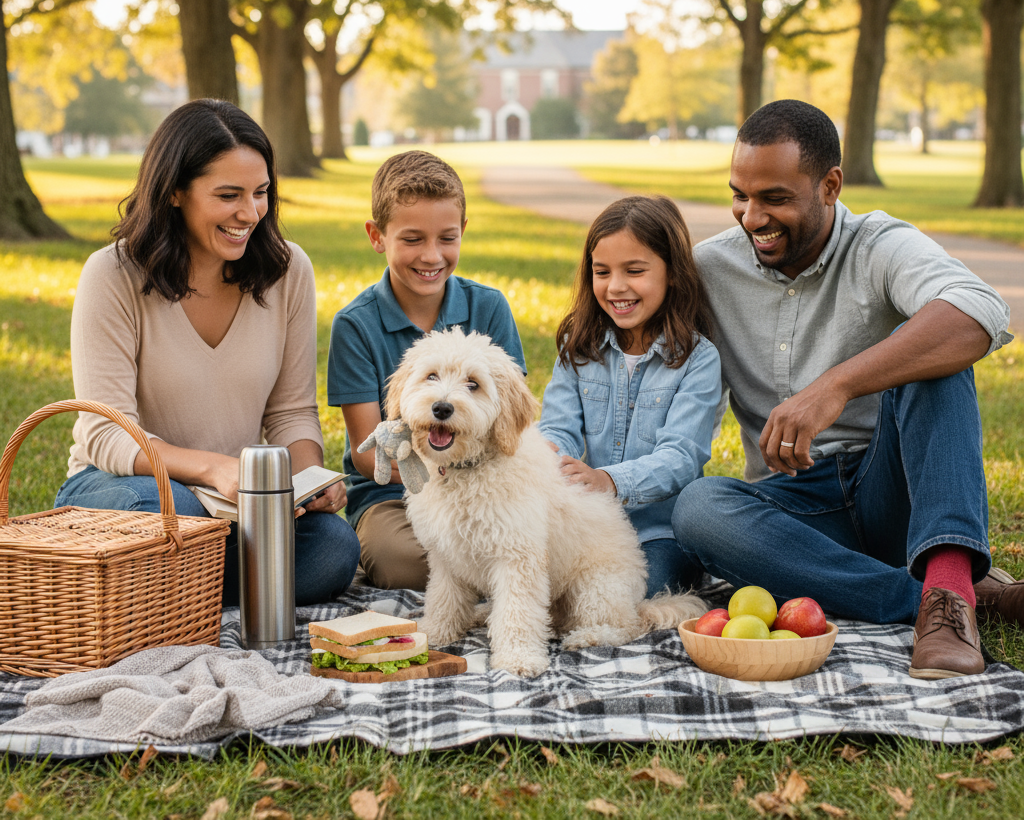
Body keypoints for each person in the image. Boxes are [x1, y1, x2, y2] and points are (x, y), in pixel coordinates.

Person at [670, 98, 1022, 678]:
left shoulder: (878, 244)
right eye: (740, 195)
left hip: (898, 493)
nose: (752, 217)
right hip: (796, 513)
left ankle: (948, 591)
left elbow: (978, 310)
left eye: (775, 198)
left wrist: (834, 386)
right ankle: (947, 597)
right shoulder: (708, 268)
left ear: (830, 186)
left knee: (937, 354)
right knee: (700, 507)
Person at [55, 99, 360, 607]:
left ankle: (171, 587)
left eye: (260, 193)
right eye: (228, 195)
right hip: (127, 490)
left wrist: (310, 484)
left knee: (332, 548)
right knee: (178, 514)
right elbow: (105, 432)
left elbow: (291, 411)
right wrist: (213, 469)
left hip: (236, 504)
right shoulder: (113, 275)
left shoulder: (289, 271)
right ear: (175, 191)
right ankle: (195, 579)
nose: (250, 213)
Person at [327, 150, 526, 590]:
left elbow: (511, 422)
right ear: (377, 236)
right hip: (391, 494)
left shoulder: (488, 307)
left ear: (463, 233)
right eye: (412, 239)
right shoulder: (356, 324)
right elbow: (366, 454)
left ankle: (501, 577)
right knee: (406, 563)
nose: (432, 256)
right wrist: (436, 471)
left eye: (446, 238)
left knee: (516, 541)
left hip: (488, 484)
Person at [538, 195, 722, 598]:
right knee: (529, 579)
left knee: (628, 593)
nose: (616, 286)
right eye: (601, 272)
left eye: (634, 270)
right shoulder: (579, 345)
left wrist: (607, 480)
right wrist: (547, 463)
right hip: (587, 527)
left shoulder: (698, 359)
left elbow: (682, 457)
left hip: (661, 534)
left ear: (672, 273)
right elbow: (557, 427)